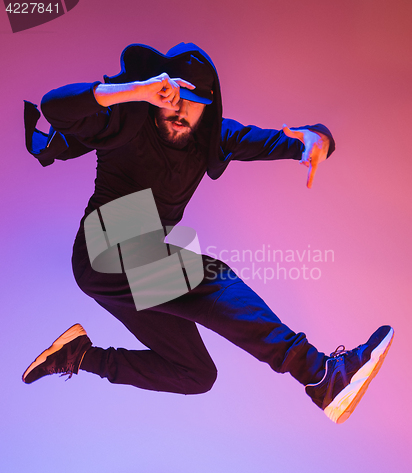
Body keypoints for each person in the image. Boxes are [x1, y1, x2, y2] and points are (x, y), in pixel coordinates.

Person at [22, 42, 394, 424]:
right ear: (157, 92)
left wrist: (317, 142)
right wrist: (136, 91)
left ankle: (79, 355)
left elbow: (293, 141)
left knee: (196, 374)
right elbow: (55, 106)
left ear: (208, 105)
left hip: (140, 256)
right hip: (102, 245)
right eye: (173, 97)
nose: (182, 110)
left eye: (194, 101)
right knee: (209, 277)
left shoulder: (211, 138)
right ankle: (319, 374)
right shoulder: (125, 120)